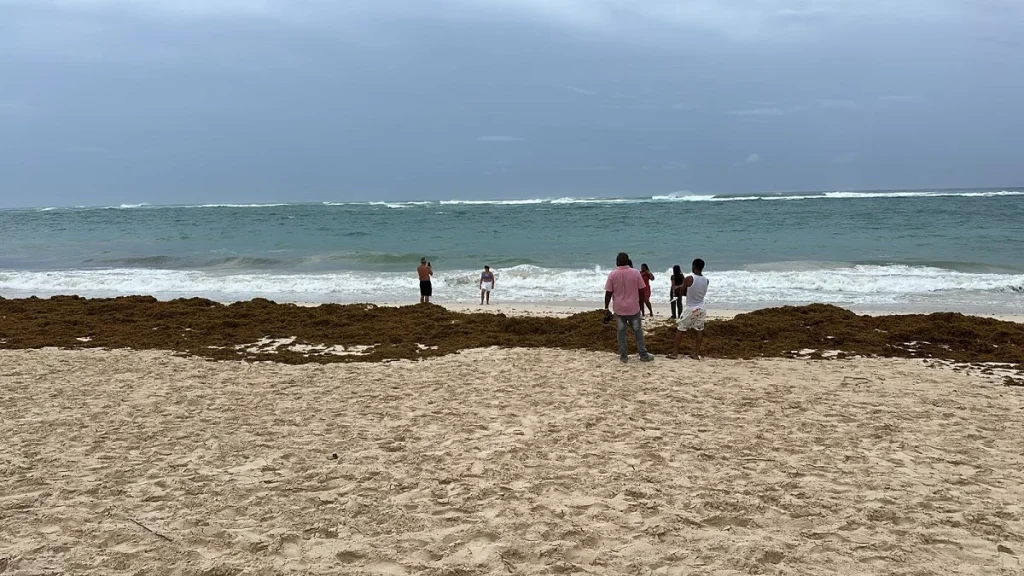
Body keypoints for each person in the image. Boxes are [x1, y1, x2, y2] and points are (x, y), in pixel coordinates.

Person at [604, 252, 654, 363]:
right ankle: (643, 354)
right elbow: (641, 291)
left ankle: (623, 356)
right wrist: (640, 305)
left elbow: (608, 293)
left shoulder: (612, 274)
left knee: (621, 333)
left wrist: (606, 308)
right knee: (637, 331)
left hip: (619, 309)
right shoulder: (635, 273)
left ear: (617, 262)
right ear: (628, 261)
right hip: (633, 308)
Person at [668, 258, 709, 360]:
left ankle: (674, 353)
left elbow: (681, 292)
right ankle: (696, 354)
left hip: (692, 309)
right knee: (699, 330)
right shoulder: (706, 280)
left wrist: (678, 292)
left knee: (680, 329)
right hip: (701, 308)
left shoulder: (689, 278)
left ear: (694, 266)